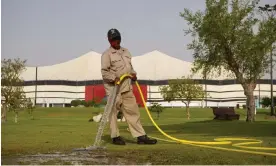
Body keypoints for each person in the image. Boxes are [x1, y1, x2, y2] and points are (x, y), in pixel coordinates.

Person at [101, 28, 157, 145]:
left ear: (120, 38)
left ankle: (140, 136)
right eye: (113, 39)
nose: (115, 41)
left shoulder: (126, 52)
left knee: (133, 111)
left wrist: (133, 74)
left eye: (117, 38)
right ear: (109, 41)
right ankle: (115, 137)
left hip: (126, 87)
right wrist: (114, 78)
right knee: (113, 114)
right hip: (113, 89)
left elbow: (129, 67)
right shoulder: (106, 55)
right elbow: (104, 72)